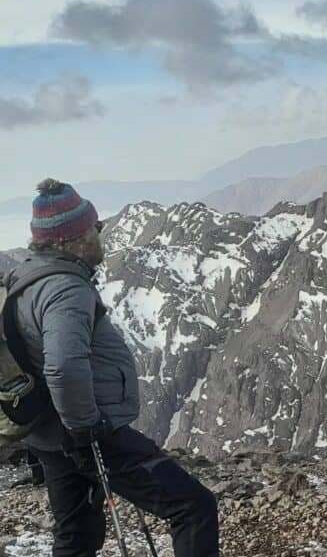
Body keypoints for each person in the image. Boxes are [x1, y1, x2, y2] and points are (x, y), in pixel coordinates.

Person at [5, 179, 219, 557]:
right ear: (73, 239)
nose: (101, 231)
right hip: (86, 434)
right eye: (95, 227)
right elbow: (66, 367)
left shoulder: (28, 278)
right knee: (193, 507)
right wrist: (87, 426)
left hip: (48, 434)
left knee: (76, 537)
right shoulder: (64, 289)